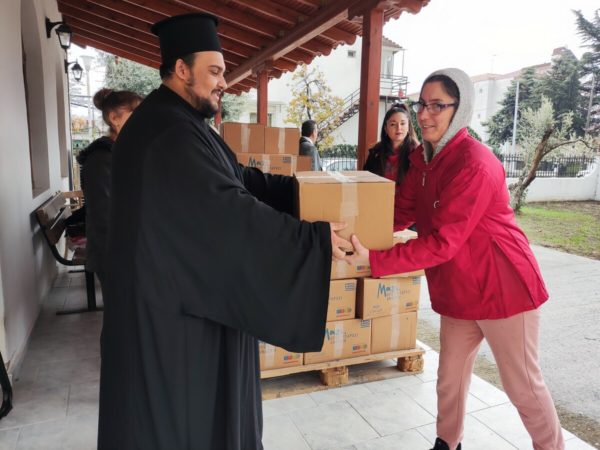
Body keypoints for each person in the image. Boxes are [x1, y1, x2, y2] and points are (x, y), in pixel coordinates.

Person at [98, 13, 349, 450]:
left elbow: (238, 178)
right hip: (169, 318)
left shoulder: (178, 120)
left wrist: (301, 192)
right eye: (214, 71)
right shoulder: (168, 132)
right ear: (181, 69)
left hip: (177, 298)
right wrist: (312, 239)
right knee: (183, 424)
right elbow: (226, 211)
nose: (223, 82)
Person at [346, 68, 564, 450]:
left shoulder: (474, 163)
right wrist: (356, 234)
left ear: (459, 109)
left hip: (503, 288)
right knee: (450, 378)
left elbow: (442, 242)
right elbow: (402, 210)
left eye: (437, 105)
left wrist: (376, 260)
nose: (424, 114)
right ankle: (447, 443)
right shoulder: (423, 158)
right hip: (459, 289)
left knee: (523, 386)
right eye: (422, 104)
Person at [76, 88, 141, 285]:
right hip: (113, 253)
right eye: (136, 113)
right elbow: (103, 214)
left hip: (127, 249)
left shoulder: (121, 153)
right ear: (114, 118)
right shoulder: (101, 158)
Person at [363, 102, 419, 184]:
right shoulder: (376, 153)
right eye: (393, 124)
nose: (399, 128)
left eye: (403, 123)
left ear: (408, 127)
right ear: (386, 128)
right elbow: (365, 181)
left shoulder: (417, 153)